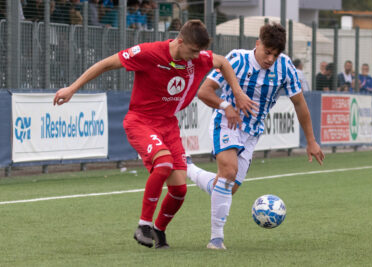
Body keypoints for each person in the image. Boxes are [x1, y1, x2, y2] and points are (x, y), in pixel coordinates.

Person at [53, 20, 257, 249]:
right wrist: (72, 88)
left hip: (168, 125)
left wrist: (237, 93)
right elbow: (106, 64)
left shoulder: (198, 57)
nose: (196, 57)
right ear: (180, 41)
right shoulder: (149, 53)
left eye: (199, 52)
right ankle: (143, 225)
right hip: (140, 121)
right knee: (164, 164)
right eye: (192, 51)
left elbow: (223, 62)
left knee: (179, 189)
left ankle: (159, 230)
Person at [186, 23, 325, 250]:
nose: (270, 58)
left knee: (226, 187)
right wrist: (226, 106)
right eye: (267, 52)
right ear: (257, 44)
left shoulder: (286, 67)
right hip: (226, 121)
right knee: (228, 172)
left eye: (275, 54)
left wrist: (311, 140)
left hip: (252, 133)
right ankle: (216, 239)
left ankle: (188, 169)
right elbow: (204, 91)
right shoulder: (237, 59)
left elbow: (299, 103)